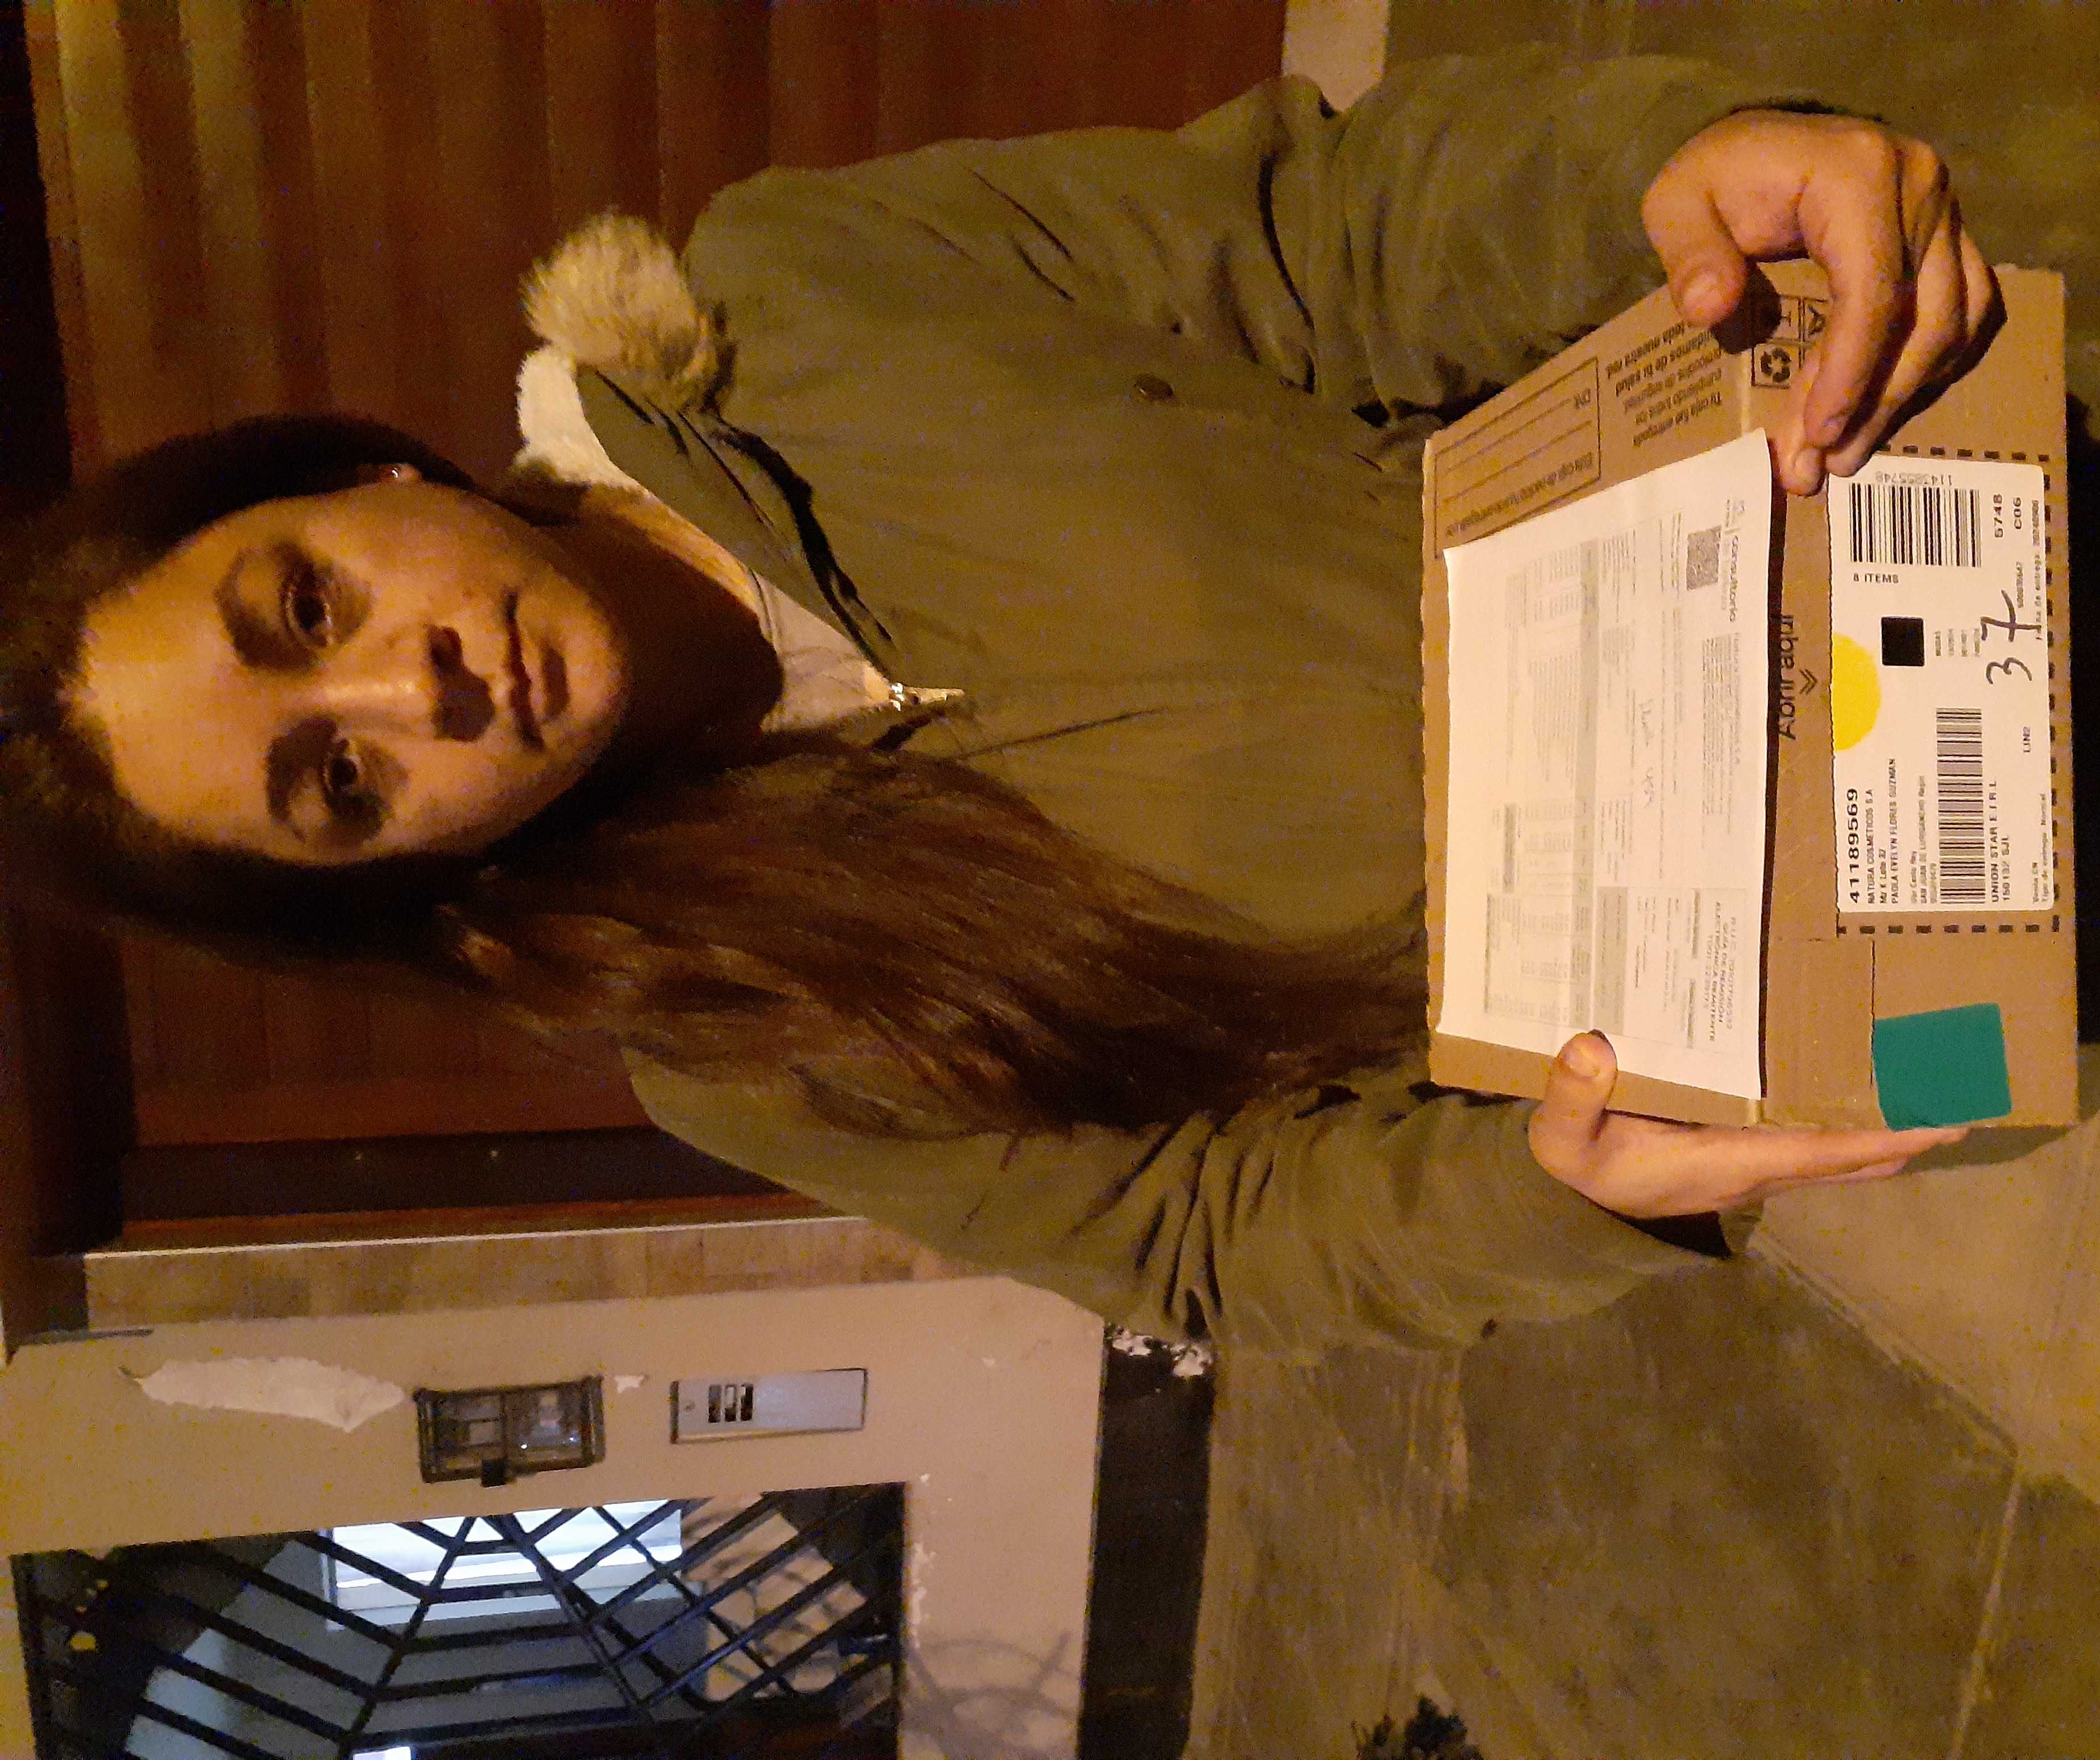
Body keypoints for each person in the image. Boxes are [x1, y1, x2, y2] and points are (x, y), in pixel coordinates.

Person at [2, 52, 1998, 1351]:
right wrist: (1547, 1189)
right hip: (1853, 963)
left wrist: (1658, 183)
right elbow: (1200, 1234)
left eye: (306, 604)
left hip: (1873, 500)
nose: (410, 687)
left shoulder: (791, 299)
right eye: (340, 783)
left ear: (363, 472)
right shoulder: (737, 1039)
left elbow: (1323, 244)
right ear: (385, 875)